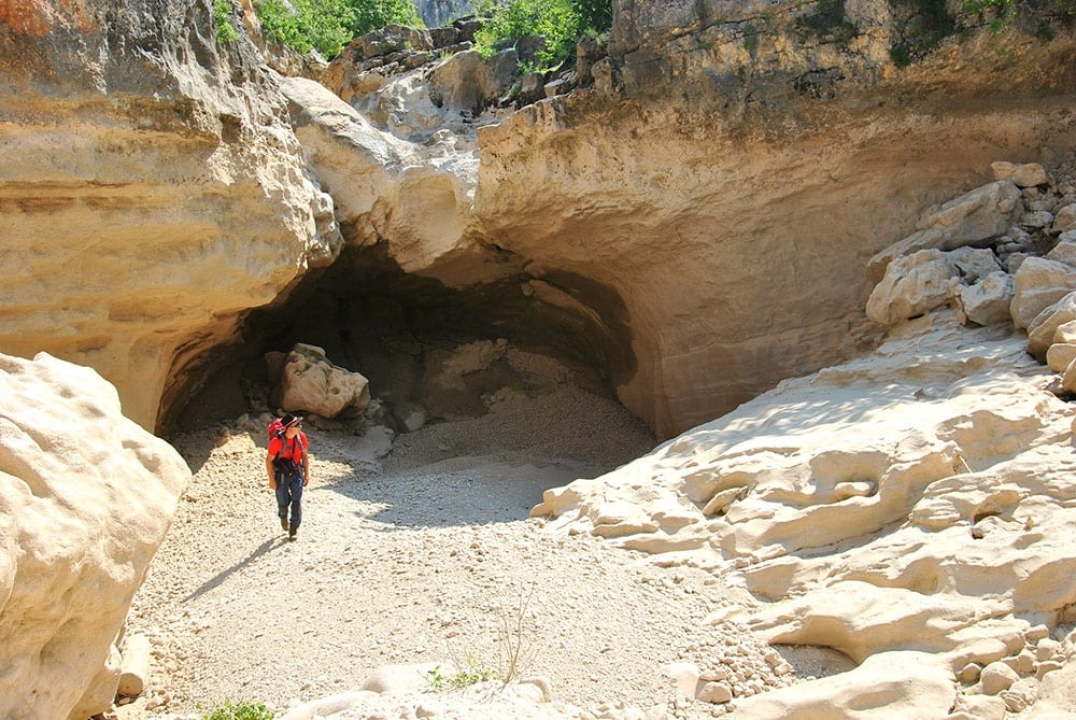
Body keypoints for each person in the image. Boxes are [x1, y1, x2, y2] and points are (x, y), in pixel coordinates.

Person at [266, 413, 309, 541]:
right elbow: (269, 461)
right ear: (289, 428)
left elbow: (305, 455)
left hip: (296, 471)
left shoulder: (301, 437)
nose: (300, 426)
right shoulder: (276, 442)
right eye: (297, 425)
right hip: (282, 475)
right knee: (283, 501)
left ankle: (293, 529)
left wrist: (307, 473)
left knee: (297, 499)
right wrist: (271, 480)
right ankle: (283, 516)